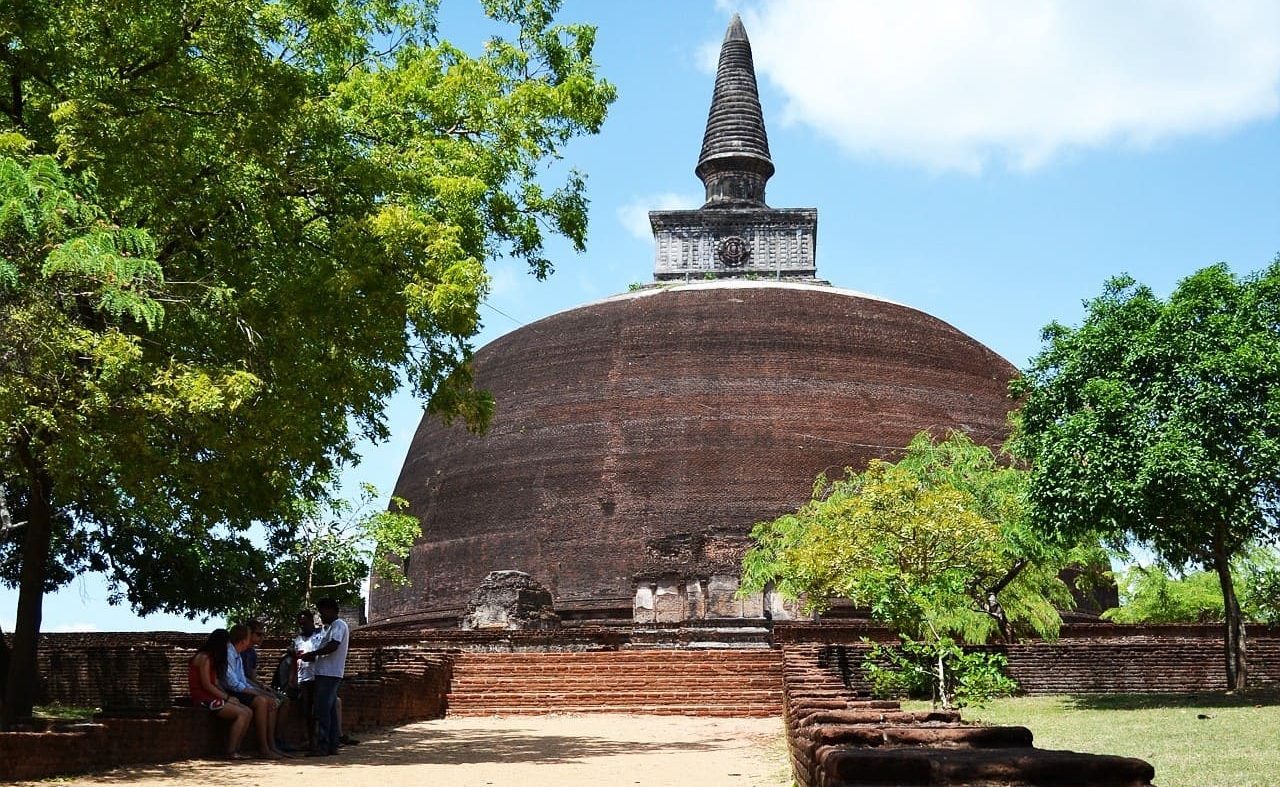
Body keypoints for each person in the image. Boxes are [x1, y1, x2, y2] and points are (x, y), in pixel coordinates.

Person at [224, 623, 292, 759]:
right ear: (243, 640)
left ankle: (271, 745)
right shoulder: (230, 653)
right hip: (230, 691)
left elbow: (244, 679)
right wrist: (256, 692)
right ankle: (264, 748)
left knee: (271, 700)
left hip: (240, 688)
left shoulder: (239, 654)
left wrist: (259, 689)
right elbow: (233, 683)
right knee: (262, 701)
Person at [187, 628, 252, 759]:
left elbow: (216, 683)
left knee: (248, 711)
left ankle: (237, 748)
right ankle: (231, 751)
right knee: (242, 714)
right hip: (203, 698)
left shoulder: (212, 658)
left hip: (212, 696)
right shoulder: (204, 658)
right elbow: (207, 685)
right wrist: (227, 698)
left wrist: (230, 698)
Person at [300, 598, 349, 756]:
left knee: (322, 710)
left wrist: (313, 654)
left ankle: (323, 745)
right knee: (330, 711)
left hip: (329, 673)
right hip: (326, 672)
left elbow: (333, 646)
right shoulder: (330, 628)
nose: (321, 616)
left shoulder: (338, 625)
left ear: (330, 610)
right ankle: (332, 744)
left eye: (322, 612)